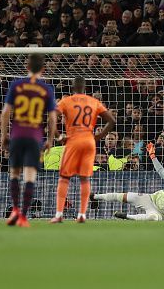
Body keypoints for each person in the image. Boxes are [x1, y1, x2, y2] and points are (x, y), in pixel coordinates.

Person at [1, 54, 57, 228]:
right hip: (35, 137)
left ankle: (15, 211)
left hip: (17, 135)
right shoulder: (47, 89)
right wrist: (49, 139)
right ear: (43, 69)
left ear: (27, 67)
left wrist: (4, 136)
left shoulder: (16, 85)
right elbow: (53, 118)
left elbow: (5, 114)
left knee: (14, 175)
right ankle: (24, 216)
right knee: (30, 177)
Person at [50, 77, 115, 223]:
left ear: (73, 88)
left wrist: (59, 137)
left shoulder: (66, 101)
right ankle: (82, 215)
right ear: (85, 88)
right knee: (84, 178)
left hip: (73, 140)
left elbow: (52, 116)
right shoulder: (94, 101)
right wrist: (98, 136)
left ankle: (59, 214)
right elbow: (112, 120)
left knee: (64, 177)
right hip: (89, 141)